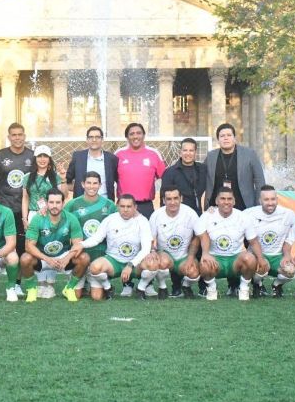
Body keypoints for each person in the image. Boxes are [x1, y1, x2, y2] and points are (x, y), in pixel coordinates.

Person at [204, 123, 265, 297]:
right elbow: (205, 181)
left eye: (228, 135)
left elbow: (260, 180)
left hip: (245, 206)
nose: (225, 138)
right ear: (218, 139)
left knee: (249, 245)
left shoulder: (249, 154)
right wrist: (207, 205)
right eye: (222, 136)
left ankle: (256, 283)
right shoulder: (211, 156)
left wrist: (258, 206)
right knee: (226, 246)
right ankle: (232, 284)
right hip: (219, 208)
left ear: (234, 137)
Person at [115, 122, 165, 296]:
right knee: (125, 241)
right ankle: (127, 284)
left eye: (138, 133)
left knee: (148, 244)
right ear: (127, 137)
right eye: (131, 133)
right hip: (124, 207)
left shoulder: (153, 154)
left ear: (144, 135)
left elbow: (165, 177)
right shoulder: (119, 155)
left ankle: (148, 281)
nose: (135, 136)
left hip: (145, 205)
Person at [0, 123, 35, 297]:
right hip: (2, 208)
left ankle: (17, 283)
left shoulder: (32, 156)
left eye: (20, 134)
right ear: (9, 137)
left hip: (23, 210)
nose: (17, 138)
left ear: (24, 136)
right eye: (14, 135)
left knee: (21, 247)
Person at [82, 194, 158, 300]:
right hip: (114, 262)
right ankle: (108, 288)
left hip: (135, 263)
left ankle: (141, 288)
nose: (125, 209)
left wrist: (130, 265)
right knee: (95, 268)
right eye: (122, 206)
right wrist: (81, 244)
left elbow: (146, 248)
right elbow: (96, 239)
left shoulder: (142, 221)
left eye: (129, 206)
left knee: (153, 263)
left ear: (135, 207)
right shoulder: (109, 219)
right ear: (117, 206)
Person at [20, 188, 89, 302]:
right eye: (51, 202)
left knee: (84, 258)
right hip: (43, 258)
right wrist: (47, 259)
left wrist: (67, 258)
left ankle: (69, 288)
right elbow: (29, 246)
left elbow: (78, 244)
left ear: (63, 203)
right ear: (47, 203)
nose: (54, 206)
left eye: (58, 202)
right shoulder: (37, 219)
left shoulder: (71, 218)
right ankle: (31, 290)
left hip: (63, 257)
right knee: (25, 258)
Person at [194, 188, 263, 301]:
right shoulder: (207, 216)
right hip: (216, 261)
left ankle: (244, 288)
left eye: (229, 199)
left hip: (235, 260)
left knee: (250, 258)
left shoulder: (243, 217)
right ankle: (212, 288)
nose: (226, 202)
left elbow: (253, 241)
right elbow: (203, 237)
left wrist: (260, 259)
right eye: (222, 199)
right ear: (216, 201)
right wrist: (205, 253)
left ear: (234, 201)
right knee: (205, 262)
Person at [160, 137, 207, 295]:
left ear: (196, 152)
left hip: (198, 214)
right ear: (180, 152)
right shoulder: (170, 172)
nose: (188, 153)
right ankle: (177, 285)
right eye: (185, 150)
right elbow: (164, 197)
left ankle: (203, 285)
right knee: (177, 248)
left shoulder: (203, 169)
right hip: (177, 216)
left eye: (191, 150)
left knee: (199, 248)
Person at [63, 171, 117, 298]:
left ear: (100, 185)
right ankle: (80, 279)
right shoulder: (72, 204)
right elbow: (59, 218)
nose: (91, 186)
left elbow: (120, 221)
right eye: (88, 183)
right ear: (83, 184)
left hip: (99, 255)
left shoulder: (109, 205)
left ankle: (99, 282)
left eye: (95, 183)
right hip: (80, 255)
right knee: (76, 295)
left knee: (97, 297)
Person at [243, 185, 295, 298]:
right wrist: (213, 211)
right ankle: (257, 284)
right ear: (260, 200)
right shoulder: (248, 213)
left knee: (290, 271)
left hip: (277, 256)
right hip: (257, 255)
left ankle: (276, 285)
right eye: (266, 199)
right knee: (258, 267)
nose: (270, 203)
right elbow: (231, 217)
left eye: (273, 199)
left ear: (277, 199)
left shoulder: (288, 214)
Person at [149, 186, 201, 299]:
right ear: (163, 200)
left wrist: (191, 257)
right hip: (165, 255)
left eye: (175, 198)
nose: (172, 202)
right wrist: (153, 251)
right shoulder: (156, 215)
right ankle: (162, 287)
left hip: (184, 256)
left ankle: (186, 286)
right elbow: (152, 238)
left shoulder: (190, 214)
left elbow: (198, 236)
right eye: (169, 199)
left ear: (181, 198)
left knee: (193, 273)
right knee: (162, 262)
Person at [66, 126, 119, 201]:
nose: (94, 140)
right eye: (91, 137)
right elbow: (68, 180)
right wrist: (78, 189)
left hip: (105, 204)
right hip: (82, 204)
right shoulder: (77, 157)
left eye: (97, 137)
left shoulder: (111, 159)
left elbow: (119, 181)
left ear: (102, 140)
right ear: (87, 140)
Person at [22, 144, 68, 226]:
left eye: (45, 156)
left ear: (49, 159)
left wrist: (63, 179)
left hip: (51, 214)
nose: (42, 159)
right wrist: (24, 219)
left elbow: (64, 195)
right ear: (35, 159)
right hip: (33, 214)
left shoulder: (56, 177)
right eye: (39, 156)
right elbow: (25, 198)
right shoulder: (27, 177)